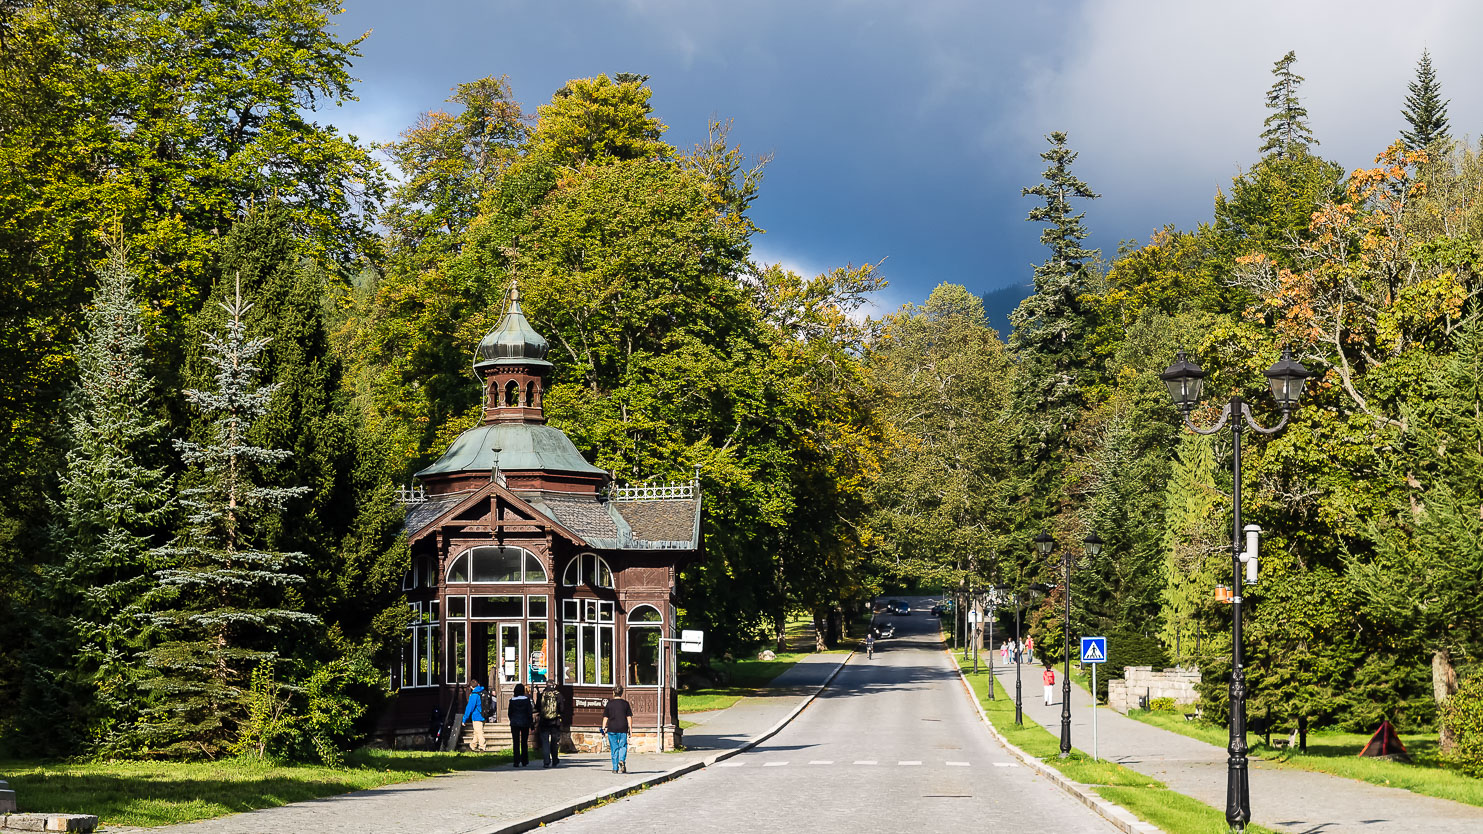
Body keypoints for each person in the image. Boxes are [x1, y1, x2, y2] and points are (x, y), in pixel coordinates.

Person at [601, 685, 634, 774]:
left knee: (614, 748)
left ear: (613, 693)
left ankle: (615, 768)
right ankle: (622, 760)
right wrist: (630, 729)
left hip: (612, 728)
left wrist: (603, 729)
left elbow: (605, 717)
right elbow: (629, 717)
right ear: (622, 693)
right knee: (623, 746)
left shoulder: (609, 704)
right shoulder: (625, 704)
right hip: (623, 728)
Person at [537, 680, 566, 767]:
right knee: (554, 742)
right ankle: (555, 760)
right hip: (555, 722)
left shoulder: (542, 694)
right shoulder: (558, 695)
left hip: (544, 722)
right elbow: (562, 709)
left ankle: (546, 761)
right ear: (554, 685)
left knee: (545, 742)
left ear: (546, 685)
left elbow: (537, 707)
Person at [507, 683, 534, 767]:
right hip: (525, 722)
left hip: (515, 722)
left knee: (516, 742)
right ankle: (524, 760)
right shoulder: (526, 700)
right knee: (524, 742)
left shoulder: (512, 700)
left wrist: (512, 719)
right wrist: (531, 723)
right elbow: (529, 712)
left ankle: (516, 761)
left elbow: (509, 713)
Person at [461, 676, 488, 752]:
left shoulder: (474, 695)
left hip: (477, 716)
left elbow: (469, 708)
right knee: (476, 732)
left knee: (479, 732)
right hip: (483, 715)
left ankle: (482, 747)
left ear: (471, 687)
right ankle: (472, 746)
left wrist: (464, 719)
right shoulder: (482, 692)